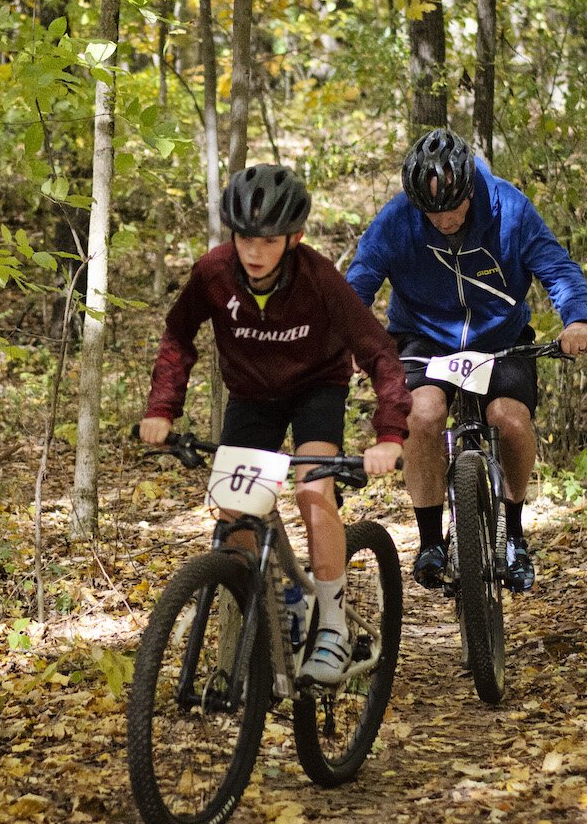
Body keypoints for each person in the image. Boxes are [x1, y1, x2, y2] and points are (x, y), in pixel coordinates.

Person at [140, 164, 412, 687]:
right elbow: (179, 336)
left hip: (316, 390)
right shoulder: (213, 273)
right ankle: (283, 600)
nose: (254, 251)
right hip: (252, 397)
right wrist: (161, 409)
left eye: (268, 240)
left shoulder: (319, 277)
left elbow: (379, 352)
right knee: (234, 517)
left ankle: (333, 622)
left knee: (313, 491)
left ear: (295, 237)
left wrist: (389, 435)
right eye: (244, 237)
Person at [346, 128, 587, 593]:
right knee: (422, 415)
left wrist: (577, 320)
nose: (442, 219)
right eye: (431, 211)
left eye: (452, 207)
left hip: (498, 338)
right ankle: (429, 542)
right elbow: (359, 280)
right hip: (424, 335)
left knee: (511, 419)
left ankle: (514, 535)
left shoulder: (510, 208)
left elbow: (557, 268)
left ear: (469, 189)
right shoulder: (399, 219)